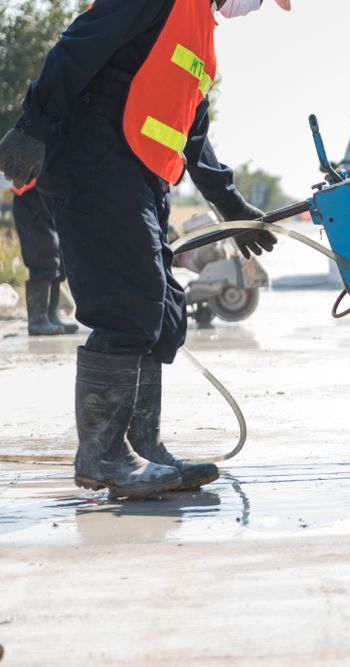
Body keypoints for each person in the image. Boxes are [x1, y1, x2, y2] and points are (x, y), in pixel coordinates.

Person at [0, 0, 292, 497]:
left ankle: (141, 449)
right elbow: (78, 45)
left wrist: (233, 207)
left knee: (162, 310)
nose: (256, 5)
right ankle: (103, 455)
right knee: (128, 304)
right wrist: (34, 125)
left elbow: (192, 133)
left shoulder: (200, 36)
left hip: (141, 177)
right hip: (97, 161)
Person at [10, 179, 79, 335]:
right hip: (30, 197)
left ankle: (51, 316)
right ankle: (37, 320)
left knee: (59, 259)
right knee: (43, 255)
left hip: (49, 198)